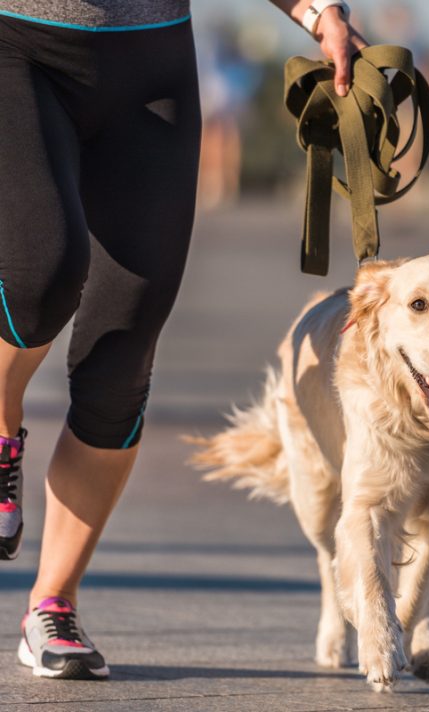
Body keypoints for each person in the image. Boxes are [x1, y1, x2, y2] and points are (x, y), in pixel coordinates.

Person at [0, 0, 365, 680]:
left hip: (151, 62)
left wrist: (320, 14)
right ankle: (0, 425)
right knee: (41, 275)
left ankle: (53, 604)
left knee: (126, 342)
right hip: (15, 46)